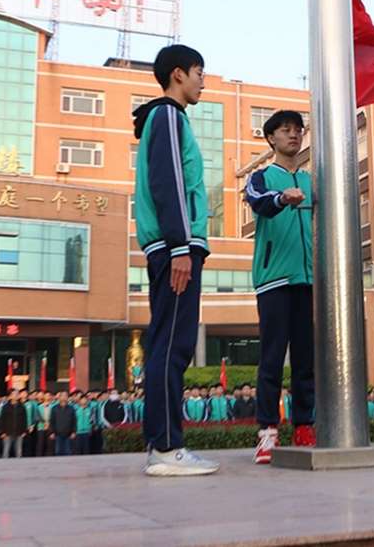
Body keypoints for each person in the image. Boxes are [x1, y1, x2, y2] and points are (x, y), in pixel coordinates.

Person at [132, 44, 219, 477]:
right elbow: (169, 183)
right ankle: (167, 448)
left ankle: (161, 444)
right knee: (172, 344)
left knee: (168, 342)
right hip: (174, 248)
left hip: (172, 246)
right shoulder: (167, 115)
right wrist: (181, 246)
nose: (203, 81)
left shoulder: (168, 118)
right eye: (199, 72)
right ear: (178, 74)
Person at [244, 109, 317, 464]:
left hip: (306, 280)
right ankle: (267, 432)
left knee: (305, 358)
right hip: (274, 280)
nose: (294, 135)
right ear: (271, 138)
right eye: (286, 130)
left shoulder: (310, 181)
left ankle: (304, 426)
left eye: (298, 130)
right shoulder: (261, 177)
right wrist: (282, 198)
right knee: (272, 357)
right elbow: (258, 202)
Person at [0, 390, 27, 458]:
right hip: (7, 431)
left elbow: (24, 419)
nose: (15, 396)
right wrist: (2, 432)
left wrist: (24, 431)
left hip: (19, 431)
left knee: (19, 450)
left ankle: (19, 463)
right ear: (10, 396)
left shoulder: (22, 406)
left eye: (17, 394)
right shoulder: (5, 407)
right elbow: (2, 420)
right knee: (6, 449)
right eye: (13, 394)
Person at [49, 391, 77, 455]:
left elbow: (74, 421)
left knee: (68, 452)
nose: (64, 397)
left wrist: (74, 432)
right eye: (62, 396)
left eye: (65, 396)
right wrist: (51, 432)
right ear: (59, 397)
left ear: (68, 398)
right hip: (57, 434)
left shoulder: (71, 408)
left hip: (68, 434)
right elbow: (52, 421)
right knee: (58, 451)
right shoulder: (54, 408)